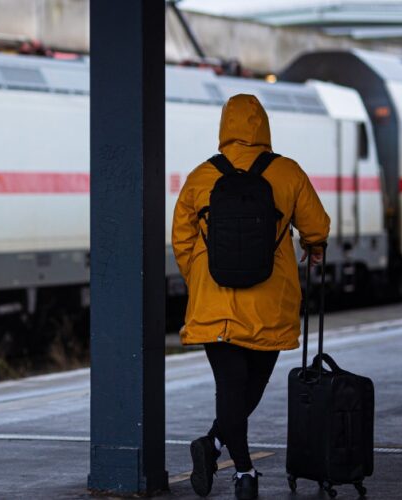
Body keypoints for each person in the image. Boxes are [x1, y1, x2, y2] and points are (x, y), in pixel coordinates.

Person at [171, 94, 330, 499]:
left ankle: (226, 456)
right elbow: (317, 227)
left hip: (214, 307)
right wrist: (314, 247)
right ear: (264, 126)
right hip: (270, 306)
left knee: (229, 387)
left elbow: (181, 239)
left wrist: (201, 280)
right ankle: (237, 465)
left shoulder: (201, 177)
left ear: (224, 128)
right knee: (248, 389)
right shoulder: (287, 172)